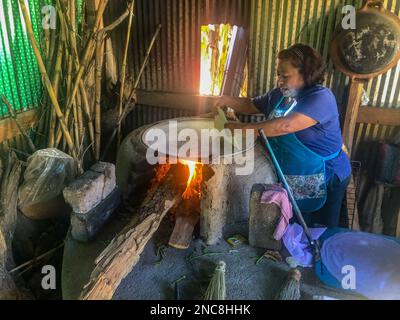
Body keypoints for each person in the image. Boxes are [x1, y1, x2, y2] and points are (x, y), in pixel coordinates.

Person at [214, 43, 352, 228]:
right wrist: (225, 100)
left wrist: (235, 127)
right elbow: (251, 105)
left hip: (326, 176)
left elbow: (284, 126)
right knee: (295, 228)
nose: (279, 80)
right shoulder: (279, 96)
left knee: (321, 231)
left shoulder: (321, 97)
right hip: (294, 177)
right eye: (278, 74)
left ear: (306, 73)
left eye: (285, 76)